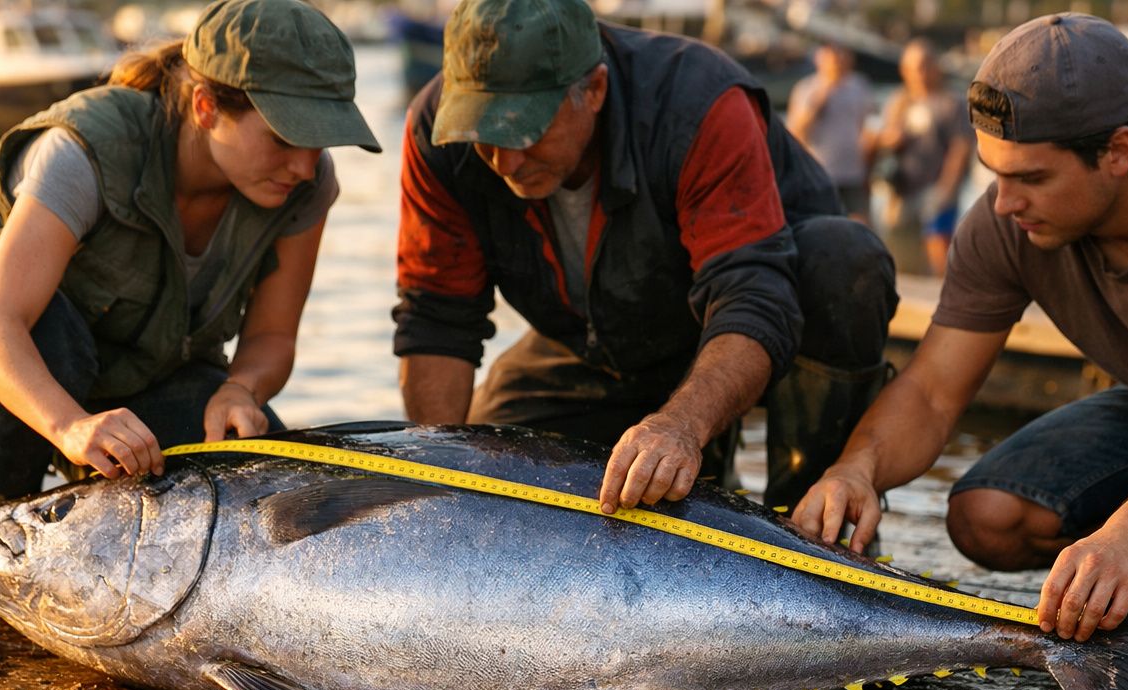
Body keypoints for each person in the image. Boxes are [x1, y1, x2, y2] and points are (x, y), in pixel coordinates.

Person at [793, 13, 1128, 689]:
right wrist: (858, 468)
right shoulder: (1006, 220)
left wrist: (1127, 537)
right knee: (986, 519)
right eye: (994, 173)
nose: (1002, 203)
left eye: (1030, 177)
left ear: (1118, 150)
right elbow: (935, 389)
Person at [0, 0, 380, 519]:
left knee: (257, 467)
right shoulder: (85, 148)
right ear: (205, 107)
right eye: (285, 137)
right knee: (50, 333)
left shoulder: (305, 185)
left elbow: (272, 336)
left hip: (123, 368)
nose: (305, 166)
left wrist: (239, 389)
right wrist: (70, 427)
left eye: (320, 140)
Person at [393, 0, 897, 513]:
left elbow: (752, 298)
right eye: (484, 134)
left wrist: (682, 425)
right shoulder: (435, 132)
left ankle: (816, 517)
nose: (505, 162)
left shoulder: (696, 100)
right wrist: (439, 479)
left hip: (757, 337)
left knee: (844, 260)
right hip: (593, 343)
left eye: (524, 130)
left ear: (594, 89)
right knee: (484, 474)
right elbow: (436, 318)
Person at [871, 39, 974, 276]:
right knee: (900, 246)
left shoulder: (952, 102)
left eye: (924, 65)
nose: (919, 73)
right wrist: (889, 139)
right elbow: (882, 138)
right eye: (913, 67)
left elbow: (961, 148)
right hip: (903, 187)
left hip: (935, 185)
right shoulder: (899, 101)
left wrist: (947, 188)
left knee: (938, 245)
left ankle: (945, 294)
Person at [786, 41, 877, 223]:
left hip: (854, 173)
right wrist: (819, 101)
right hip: (820, 174)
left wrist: (869, 164)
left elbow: (868, 127)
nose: (837, 63)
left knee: (860, 226)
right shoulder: (806, 89)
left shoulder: (859, 86)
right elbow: (795, 133)